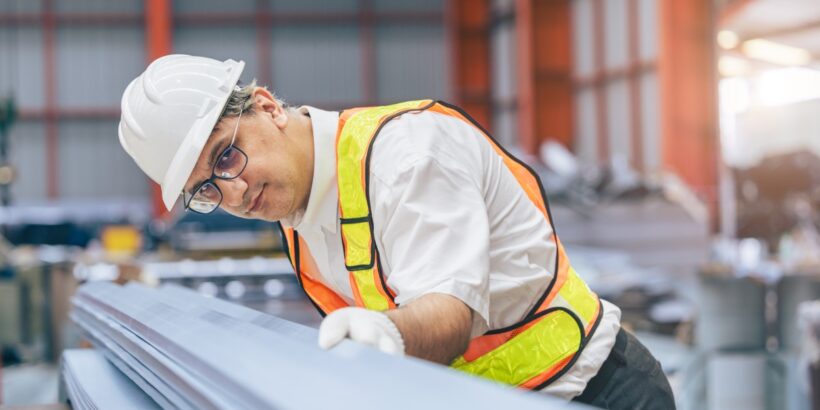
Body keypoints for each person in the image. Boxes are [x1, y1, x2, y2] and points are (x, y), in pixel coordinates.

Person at [119, 54, 675, 409]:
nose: (233, 194)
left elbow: (450, 313)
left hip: (596, 390)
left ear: (267, 107)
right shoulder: (296, 209)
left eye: (226, 156)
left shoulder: (407, 157)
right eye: (205, 191)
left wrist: (382, 339)